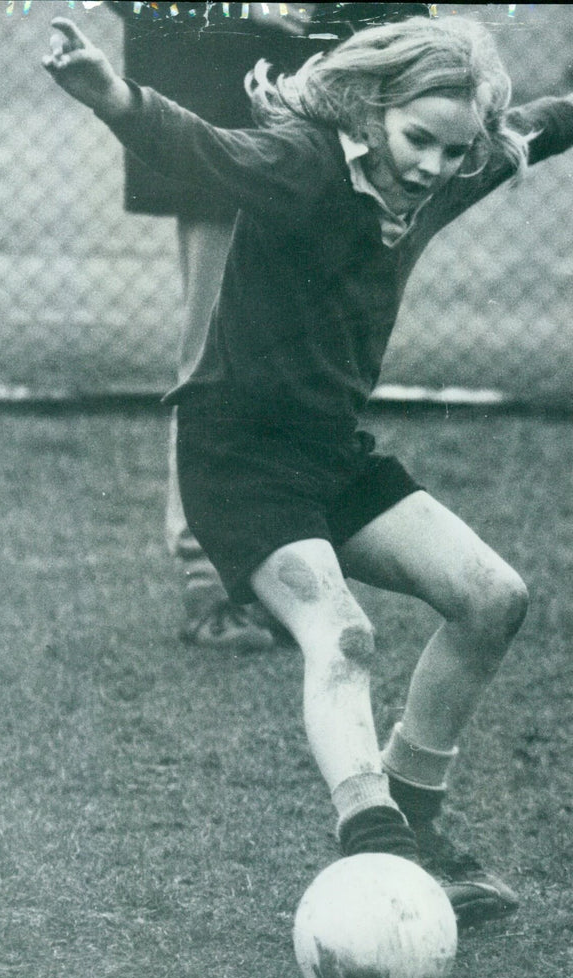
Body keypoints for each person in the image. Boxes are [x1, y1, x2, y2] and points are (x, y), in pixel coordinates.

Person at [42, 13, 573, 926]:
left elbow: (527, 130)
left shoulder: (448, 164)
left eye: (453, 150)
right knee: (345, 634)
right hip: (236, 458)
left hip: (329, 453)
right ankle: (379, 853)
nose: (434, 167)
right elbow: (202, 151)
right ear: (373, 110)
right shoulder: (302, 161)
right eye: (418, 141)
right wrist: (112, 95)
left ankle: (415, 821)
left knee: (494, 597)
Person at [107, 2, 432, 649]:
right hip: (226, 126)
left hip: (345, 136)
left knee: (311, 348)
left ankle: (282, 568)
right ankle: (211, 578)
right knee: (216, 348)